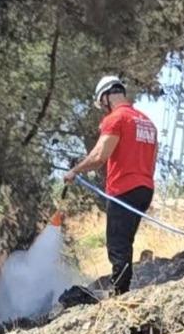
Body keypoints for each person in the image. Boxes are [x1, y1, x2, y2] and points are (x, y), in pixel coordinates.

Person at [64, 76, 157, 294]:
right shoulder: (148, 122)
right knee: (125, 240)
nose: (103, 109)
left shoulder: (116, 118)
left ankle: (120, 292)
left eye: (102, 104)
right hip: (145, 189)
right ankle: (122, 287)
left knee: (117, 244)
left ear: (106, 96)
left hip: (123, 190)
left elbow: (99, 156)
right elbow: (153, 160)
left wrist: (75, 171)